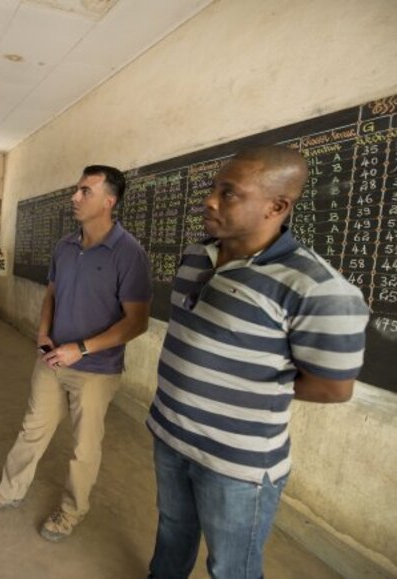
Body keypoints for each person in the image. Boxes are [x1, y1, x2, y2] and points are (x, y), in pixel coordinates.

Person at [146, 145, 369, 578]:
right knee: (173, 529)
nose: (209, 200)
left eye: (229, 193)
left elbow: (332, 387)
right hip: (169, 432)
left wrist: (243, 390)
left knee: (232, 567)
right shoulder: (196, 255)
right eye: (213, 188)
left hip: (238, 465)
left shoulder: (318, 288)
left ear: (277, 206)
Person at [0, 165, 152, 541]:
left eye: (85, 191)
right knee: (31, 431)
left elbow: (136, 323)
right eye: (77, 189)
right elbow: (52, 294)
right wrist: (42, 334)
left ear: (109, 201)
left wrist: (81, 348)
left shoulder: (129, 253)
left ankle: (71, 512)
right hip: (51, 360)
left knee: (84, 447)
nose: (75, 197)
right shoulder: (65, 246)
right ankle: (9, 491)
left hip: (96, 369)